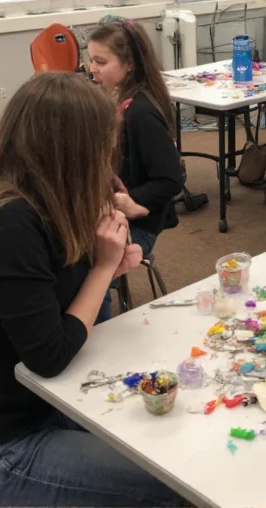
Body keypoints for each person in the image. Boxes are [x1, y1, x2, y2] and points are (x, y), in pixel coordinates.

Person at [0, 73, 184, 507]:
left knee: (166, 433)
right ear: (72, 152)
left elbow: (57, 304)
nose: (110, 163)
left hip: (39, 406)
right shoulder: (8, 222)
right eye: (105, 150)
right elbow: (50, 356)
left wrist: (109, 265)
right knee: (170, 482)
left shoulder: (38, 196)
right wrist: (103, 269)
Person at [88, 17, 184, 322]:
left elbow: (171, 180)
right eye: (90, 60)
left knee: (88, 267)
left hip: (141, 221)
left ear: (129, 64)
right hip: (114, 209)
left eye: (100, 61)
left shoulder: (140, 112)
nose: (92, 68)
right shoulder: (117, 98)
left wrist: (132, 202)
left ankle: (93, 333)